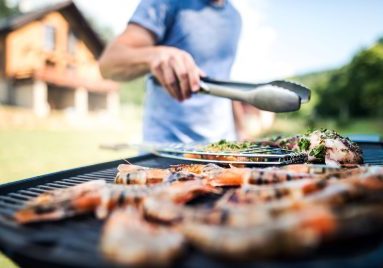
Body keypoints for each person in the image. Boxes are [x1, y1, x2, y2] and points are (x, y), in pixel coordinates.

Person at [99, 0, 245, 143]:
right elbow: (108, 64)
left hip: (221, 148)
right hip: (167, 150)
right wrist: (154, 55)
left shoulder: (234, 17)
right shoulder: (164, 3)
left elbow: (224, 77)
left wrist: (242, 131)